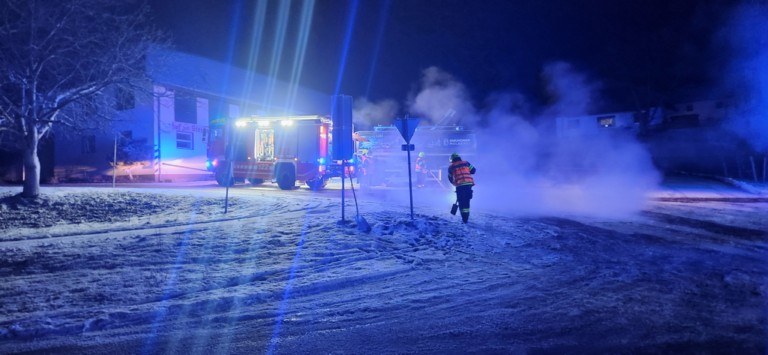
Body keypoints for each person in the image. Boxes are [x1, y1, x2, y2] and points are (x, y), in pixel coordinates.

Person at [447, 152, 476, 224]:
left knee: (462, 203)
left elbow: (450, 178)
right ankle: (466, 218)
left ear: (452, 160)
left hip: (460, 186)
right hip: (469, 185)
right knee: (467, 201)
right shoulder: (466, 163)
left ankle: (464, 219)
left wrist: (455, 184)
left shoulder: (451, 167)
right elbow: (473, 171)